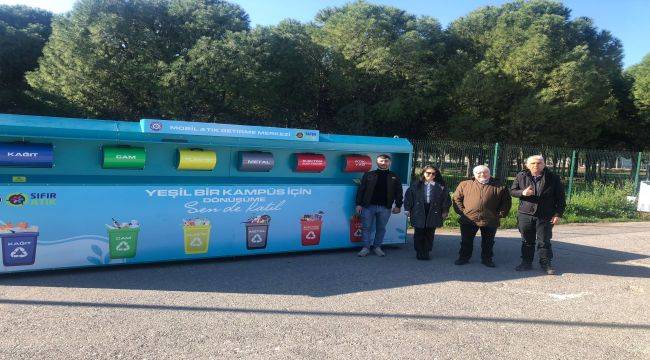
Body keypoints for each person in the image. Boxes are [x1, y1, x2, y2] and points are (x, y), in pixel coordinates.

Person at [510, 155, 566, 275]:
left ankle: (545, 264)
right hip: (525, 214)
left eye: (539, 163)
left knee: (544, 241)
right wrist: (522, 192)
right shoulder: (521, 176)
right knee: (527, 240)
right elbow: (513, 191)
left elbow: (561, 198)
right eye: (533, 163)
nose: (536, 165)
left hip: (545, 215)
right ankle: (526, 262)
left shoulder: (553, 178)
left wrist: (557, 214)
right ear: (527, 165)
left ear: (544, 164)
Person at [452, 165, 511, 267]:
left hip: (490, 219)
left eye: (485, 172)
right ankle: (464, 257)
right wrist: (462, 211)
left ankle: (487, 259)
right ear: (474, 175)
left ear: (489, 173)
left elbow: (506, 202)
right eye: (479, 173)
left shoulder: (500, 186)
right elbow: (456, 198)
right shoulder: (465, 184)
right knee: (466, 241)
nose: (482, 174)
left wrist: (500, 214)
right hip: (469, 219)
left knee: (488, 242)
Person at [355, 154, 403, 257]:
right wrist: (358, 204)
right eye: (381, 161)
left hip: (385, 207)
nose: (383, 163)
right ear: (377, 162)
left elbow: (399, 192)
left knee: (381, 228)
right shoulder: (368, 175)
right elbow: (361, 190)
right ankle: (365, 248)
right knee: (366, 227)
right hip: (368, 206)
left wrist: (398, 205)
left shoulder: (394, 176)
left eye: (386, 161)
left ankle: (377, 247)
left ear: (389, 163)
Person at [404, 165, 451, 260]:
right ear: (423, 173)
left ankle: (426, 252)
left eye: (433, 173)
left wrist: (445, 210)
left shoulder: (440, 186)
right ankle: (419, 251)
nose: (431, 175)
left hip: (434, 210)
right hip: (419, 209)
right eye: (428, 173)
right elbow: (408, 198)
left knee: (430, 232)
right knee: (419, 232)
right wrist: (407, 209)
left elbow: (446, 199)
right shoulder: (416, 185)